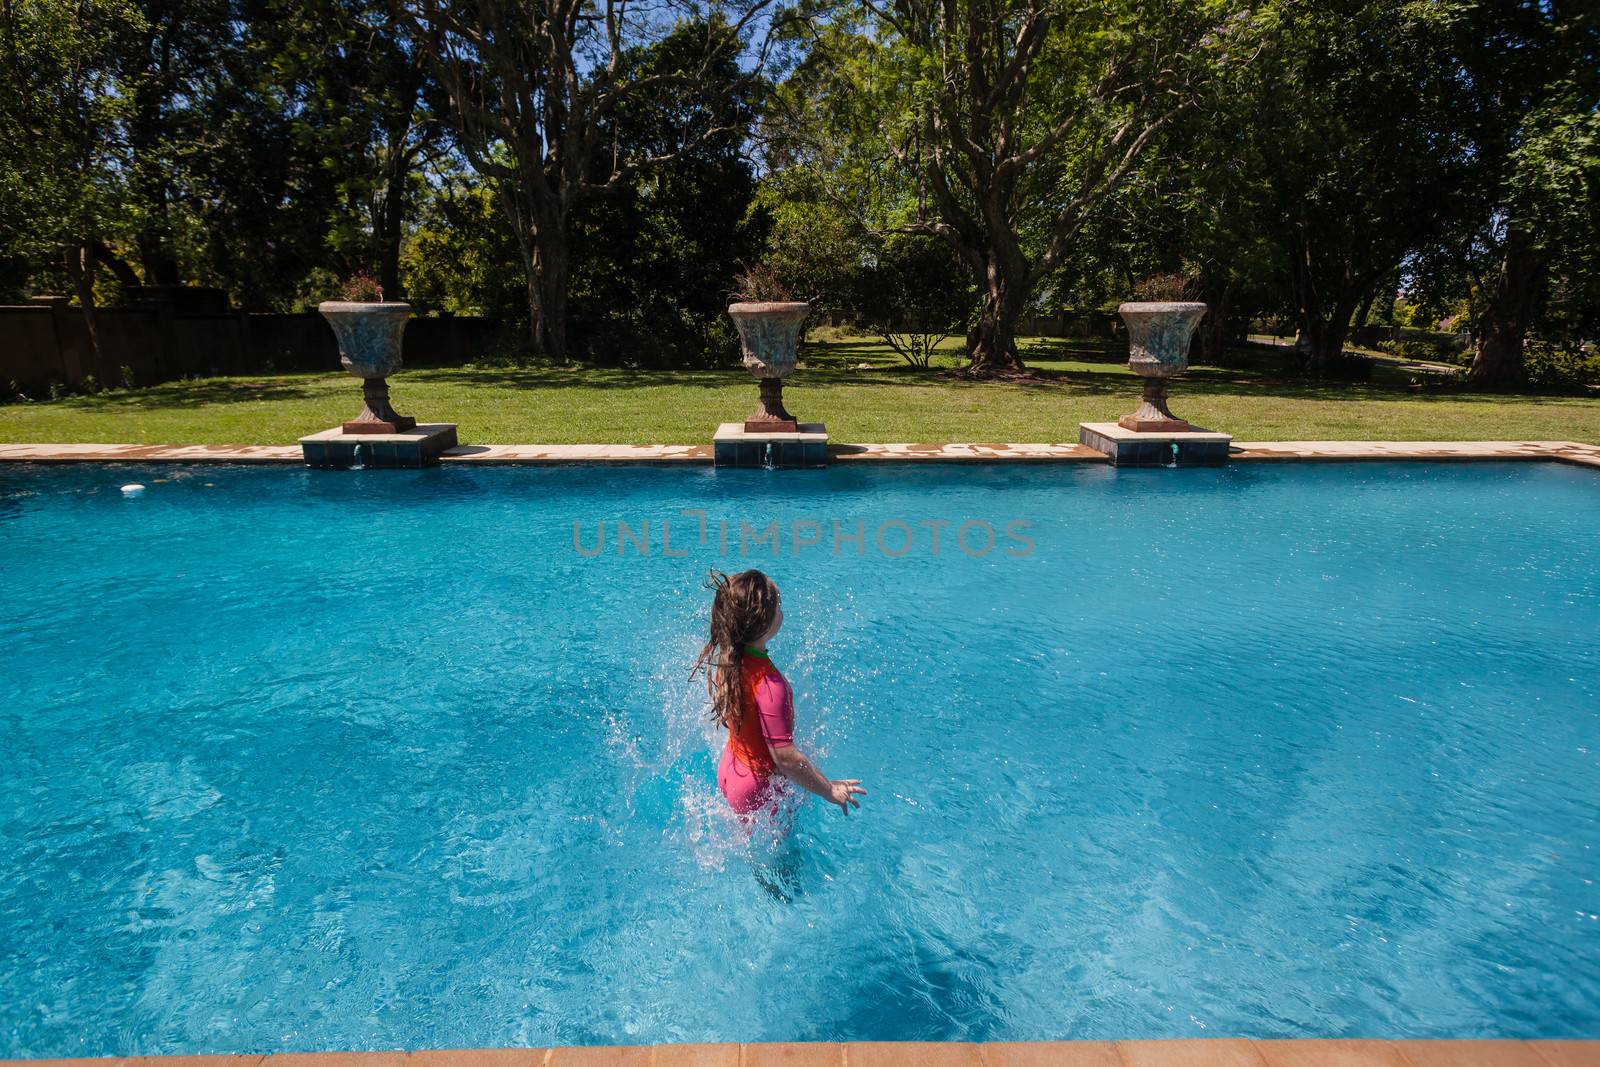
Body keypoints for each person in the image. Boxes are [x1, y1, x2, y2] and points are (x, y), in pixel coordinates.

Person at [692, 569, 865, 825]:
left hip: (730, 768)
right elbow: (785, 758)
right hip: (756, 791)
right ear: (764, 622)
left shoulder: (730, 659)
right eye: (778, 605)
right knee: (779, 864)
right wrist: (828, 789)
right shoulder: (770, 685)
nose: (782, 610)